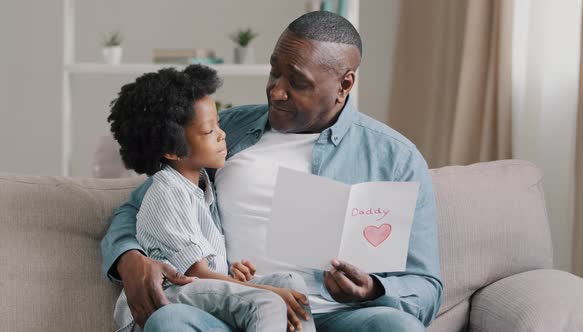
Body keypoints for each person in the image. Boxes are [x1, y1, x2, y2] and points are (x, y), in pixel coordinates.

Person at [102, 11, 443, 332]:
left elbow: (425, 287)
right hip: (230, 309)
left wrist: (371, 289)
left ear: (344, 84)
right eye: (273, 72)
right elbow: (140, 207)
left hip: (340, 317)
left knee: (399, 328)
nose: (276, 90)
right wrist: (130, 260)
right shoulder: (228, 131)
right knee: (170, 321)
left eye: (297, 82)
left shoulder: (395, 159)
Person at [106, 64, 314, 332]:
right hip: (170, 297)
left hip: (198, 293)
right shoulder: (167, 193)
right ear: (172, 149)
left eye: (218, 124)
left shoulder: (201, 187)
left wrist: (233, 274)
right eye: (209, 131)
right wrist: (257, 289)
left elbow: (207, 266)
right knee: (268, 301)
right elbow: (196, 274)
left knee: (290, 284)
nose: (222, 134)